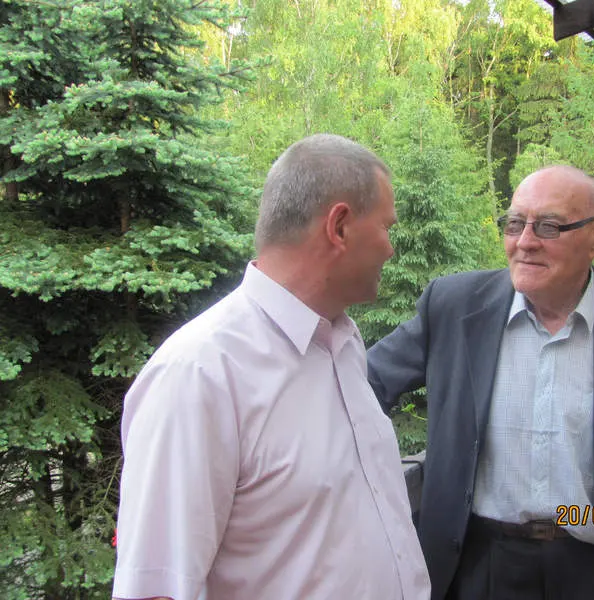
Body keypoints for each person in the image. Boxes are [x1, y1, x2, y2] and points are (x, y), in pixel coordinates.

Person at [367, 165, 594, 600]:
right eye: (514, 224)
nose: (525, 241)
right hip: (478, 568)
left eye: (548, 226)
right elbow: (362, 385)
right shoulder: (452, 308)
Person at [113, 134, 431, 600]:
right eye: (386, 227)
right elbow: (156, 588)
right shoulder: (198, 374)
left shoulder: (343, 345)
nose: (390, 249)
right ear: (340, 226)